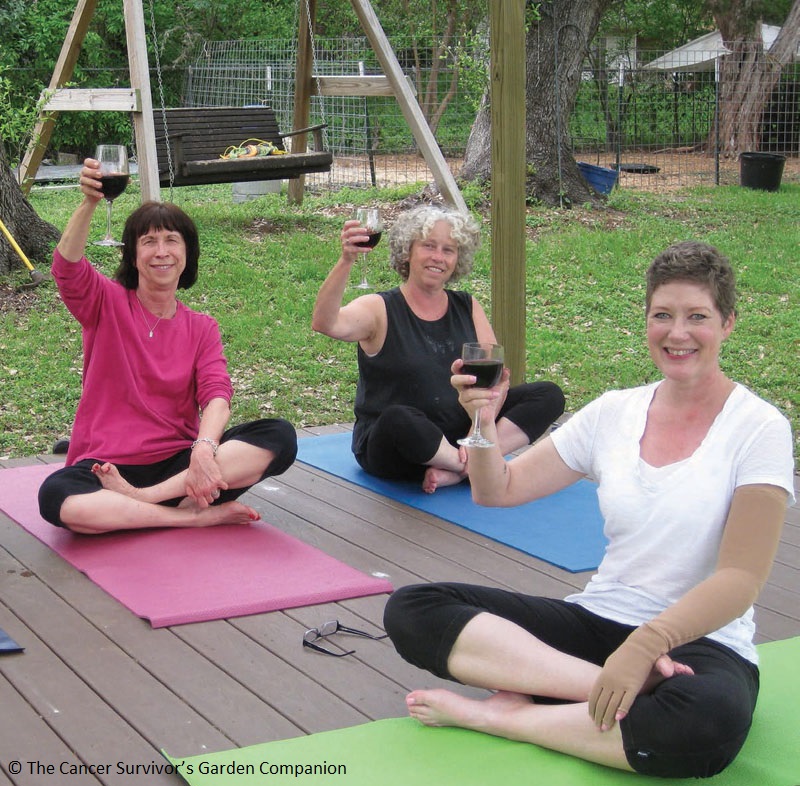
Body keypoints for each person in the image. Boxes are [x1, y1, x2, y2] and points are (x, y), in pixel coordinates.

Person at [383, 241, 795, 778]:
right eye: (662, 316)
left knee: (703, 726)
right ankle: (614, 694)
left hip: (702, 642)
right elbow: (497, 490)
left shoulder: (760, 428)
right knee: (413, 609)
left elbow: (742, 576)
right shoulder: (614, 412)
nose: (678, 333)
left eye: (698, 317)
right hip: (602, 622)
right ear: (646, 321)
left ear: (728, 323)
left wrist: (648, 643)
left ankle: (506, 718)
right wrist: (481, 423)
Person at [38, 158, 297, 535]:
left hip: (180, 467)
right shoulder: (105, 303)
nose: (161, 251)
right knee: (57, 498)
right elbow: (67, 267)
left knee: (278, 436)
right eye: (149, 242)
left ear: (187, 253)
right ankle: (187, 516)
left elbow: (216, 396)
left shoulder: (201, 327)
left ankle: (143, 502)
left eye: (171, 240)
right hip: (106, 467)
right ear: (133, 256)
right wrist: (89, 202)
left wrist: (204, 449)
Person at [311, 205, 565, 493]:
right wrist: (347, 260)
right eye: (428, 246)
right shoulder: (379, 308)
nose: (438, 257)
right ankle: (469, 466)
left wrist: (476, 431)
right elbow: (325, 322)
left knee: (547, 395)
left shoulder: (467, 306)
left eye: (448, 250)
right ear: (407, 251)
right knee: (398, 418)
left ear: (458, 259)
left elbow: (494, 383)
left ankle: (462, 467)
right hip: (399, 444)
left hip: (459, 432)